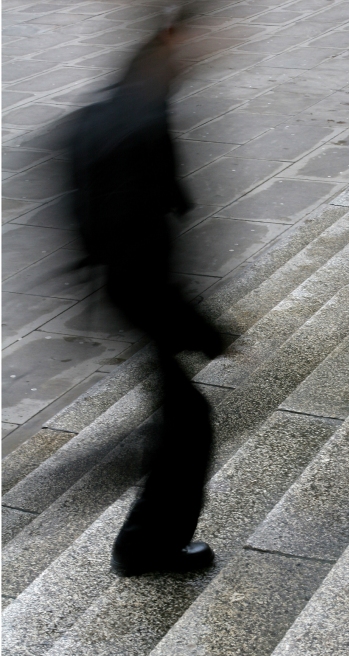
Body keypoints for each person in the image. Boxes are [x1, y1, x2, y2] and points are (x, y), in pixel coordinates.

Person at [69, 7, 223, 577]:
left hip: (127, 287)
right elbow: (139, 244)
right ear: (172, 37)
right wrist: (204, 330)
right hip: (137, 292)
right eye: (203, 39)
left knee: (181, 417)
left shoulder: (135, 95)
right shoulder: (140, 118)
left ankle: (145, 542)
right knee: (187, 422)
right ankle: (146, 547)